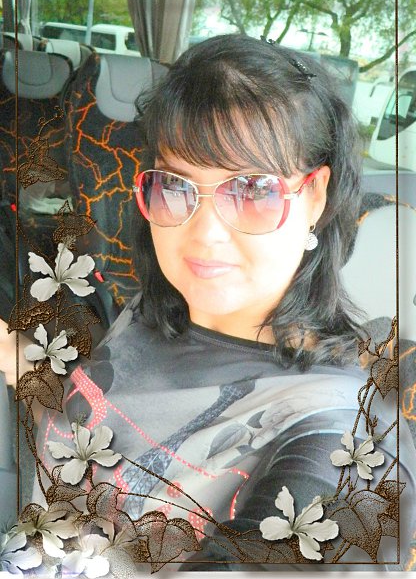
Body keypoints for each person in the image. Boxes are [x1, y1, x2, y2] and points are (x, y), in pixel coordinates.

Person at [27, 34, 416, 571]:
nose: (203, 234)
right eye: (175, 186)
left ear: (315, 195)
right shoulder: (160, 308)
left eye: (252, 190)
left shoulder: (339, 432)